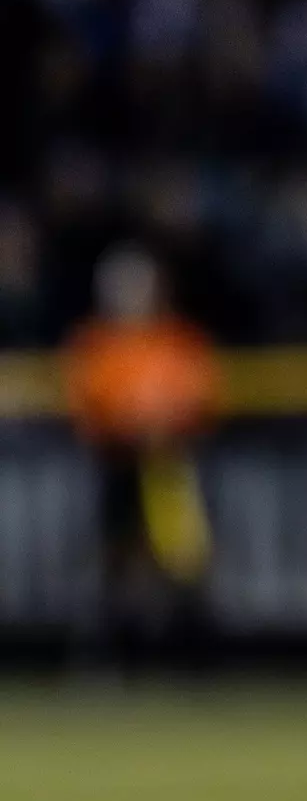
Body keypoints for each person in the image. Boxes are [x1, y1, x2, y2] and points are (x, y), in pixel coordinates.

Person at [64, 243, 219, 670]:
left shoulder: (177, 340)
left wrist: (163, 423)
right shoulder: (97, 342)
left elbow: (199, 398)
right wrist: (130, 424)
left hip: (169, 467)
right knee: (113, 564)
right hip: (119, 465)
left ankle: (194, 661)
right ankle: (106, 661)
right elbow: (87, 407)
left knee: (184, 562)